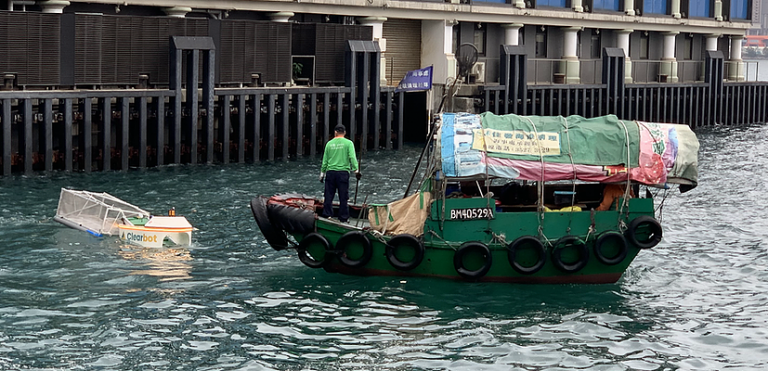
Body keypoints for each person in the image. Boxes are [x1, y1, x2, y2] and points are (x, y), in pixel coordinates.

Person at [319, 124, 361, 223]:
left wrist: (322, 173)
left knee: (328, 195)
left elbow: (325, 160)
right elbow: (352, 157)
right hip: (343, 173)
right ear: (344, 133)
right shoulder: (348, 143)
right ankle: (343, 217)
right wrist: (356, 170)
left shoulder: (329, 144)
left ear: (335, 132)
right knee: (343, 196)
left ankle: (327, 215)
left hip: (330, 172)